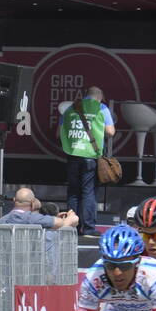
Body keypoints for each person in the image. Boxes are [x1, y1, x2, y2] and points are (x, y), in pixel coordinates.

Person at [59, 85, 114, 235]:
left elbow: (59, 133)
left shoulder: (70, 109)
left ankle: (72, 227)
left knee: (73, 193)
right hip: (90, 154)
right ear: (100, 97)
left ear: (85, 95)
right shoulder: (102, 108)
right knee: (88, 192)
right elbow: (110, 131)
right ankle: (89, 228)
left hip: (73, 153)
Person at [0, 187, 78, 229]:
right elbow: (59, 223)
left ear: (14, 200)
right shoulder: (32, 218)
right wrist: (70, 217)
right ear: (32, 203)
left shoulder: (1, 221)